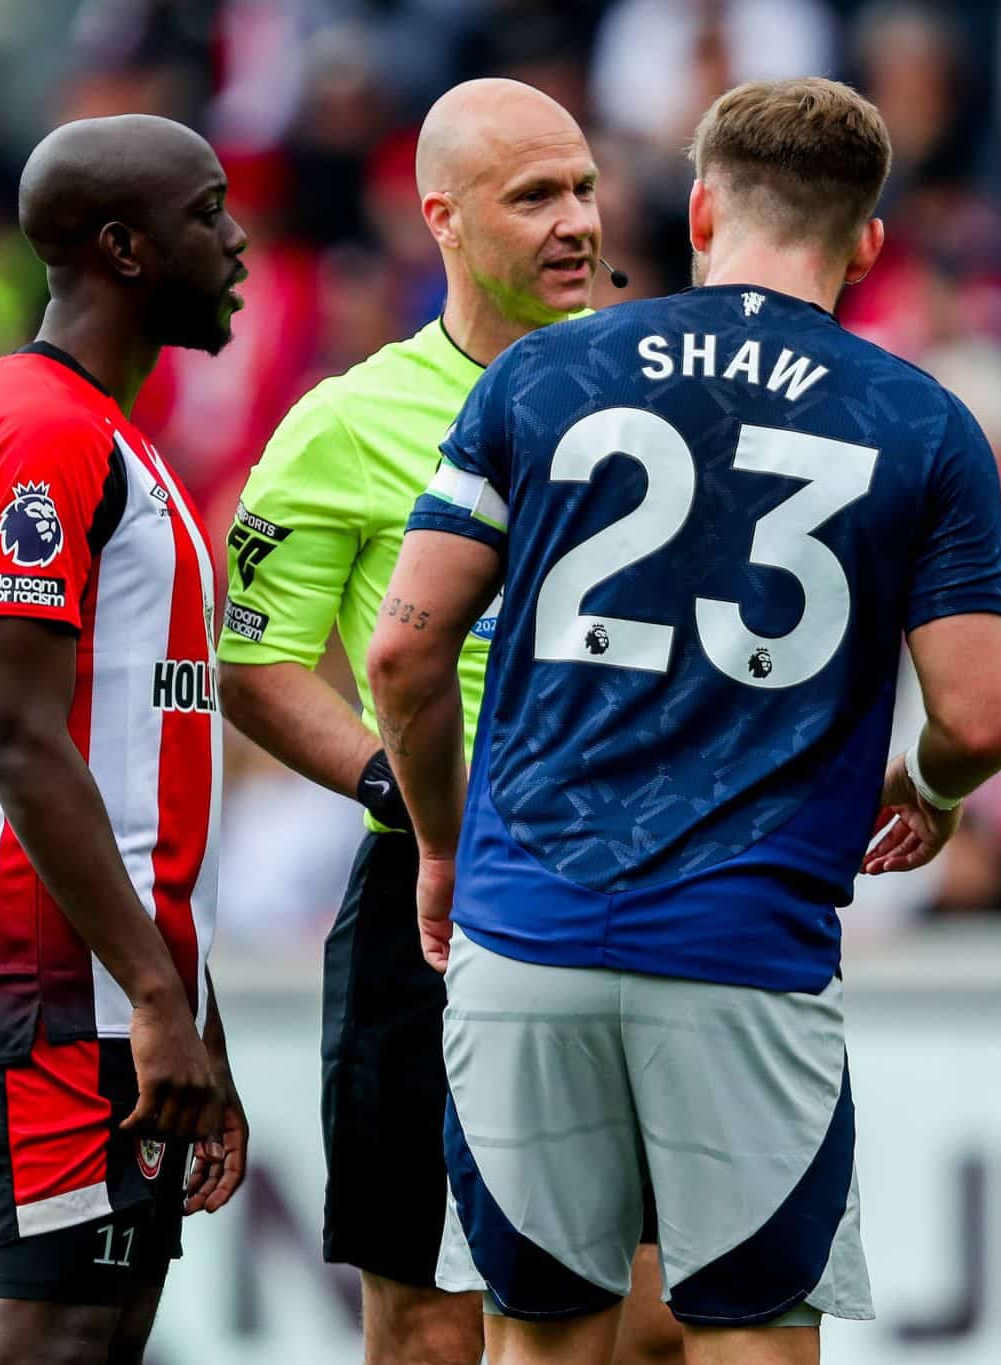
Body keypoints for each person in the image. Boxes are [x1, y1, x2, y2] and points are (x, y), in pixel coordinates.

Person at [369, 78, 1001, 1363]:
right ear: (868, 242)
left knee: (539, 1345)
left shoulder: (543, 373)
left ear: (701, 207)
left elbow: (401, 652)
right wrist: (931, 791)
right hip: (744, 949)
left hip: (525, 932)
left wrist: (444, 849)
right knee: (749, 1345)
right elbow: (982, 719)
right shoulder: (922, 426)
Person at [216, 78, 681, 1365]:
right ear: (442, 218)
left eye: (585, 187)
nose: (575, 221)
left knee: (649, 1323)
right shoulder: (347, 422)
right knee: (426, 1324)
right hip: (434, 888)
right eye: (532, 196)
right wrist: (404, 795)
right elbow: (252, 664)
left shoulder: (672, 403)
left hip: (629, 881)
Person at [0, 114, 250, 1365]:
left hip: (120, 984)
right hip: (47, 968)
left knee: (103, 1334)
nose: (237, 239)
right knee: (56, 1336)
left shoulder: (107, 436)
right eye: (207, 213)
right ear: (123, 246)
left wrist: (191, 1016)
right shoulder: (45, 430)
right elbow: (14, 734)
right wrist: (156, 996)